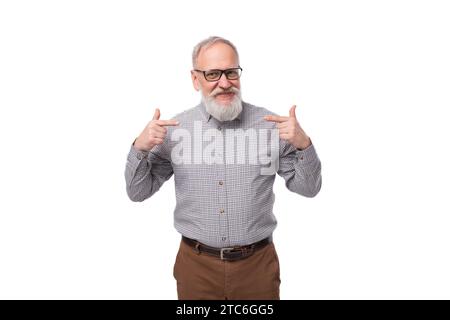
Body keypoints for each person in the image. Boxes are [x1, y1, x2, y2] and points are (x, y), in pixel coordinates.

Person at [124, 36, 322, 300]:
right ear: (196, 79)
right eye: (213, 74)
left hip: (257, 268)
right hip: (196, 268)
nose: (225, 83)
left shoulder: (272, 127)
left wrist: (304, 145)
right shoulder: (174, 130)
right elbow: (138, 193)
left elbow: (309, 189)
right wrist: (140, 147)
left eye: (231, 72)